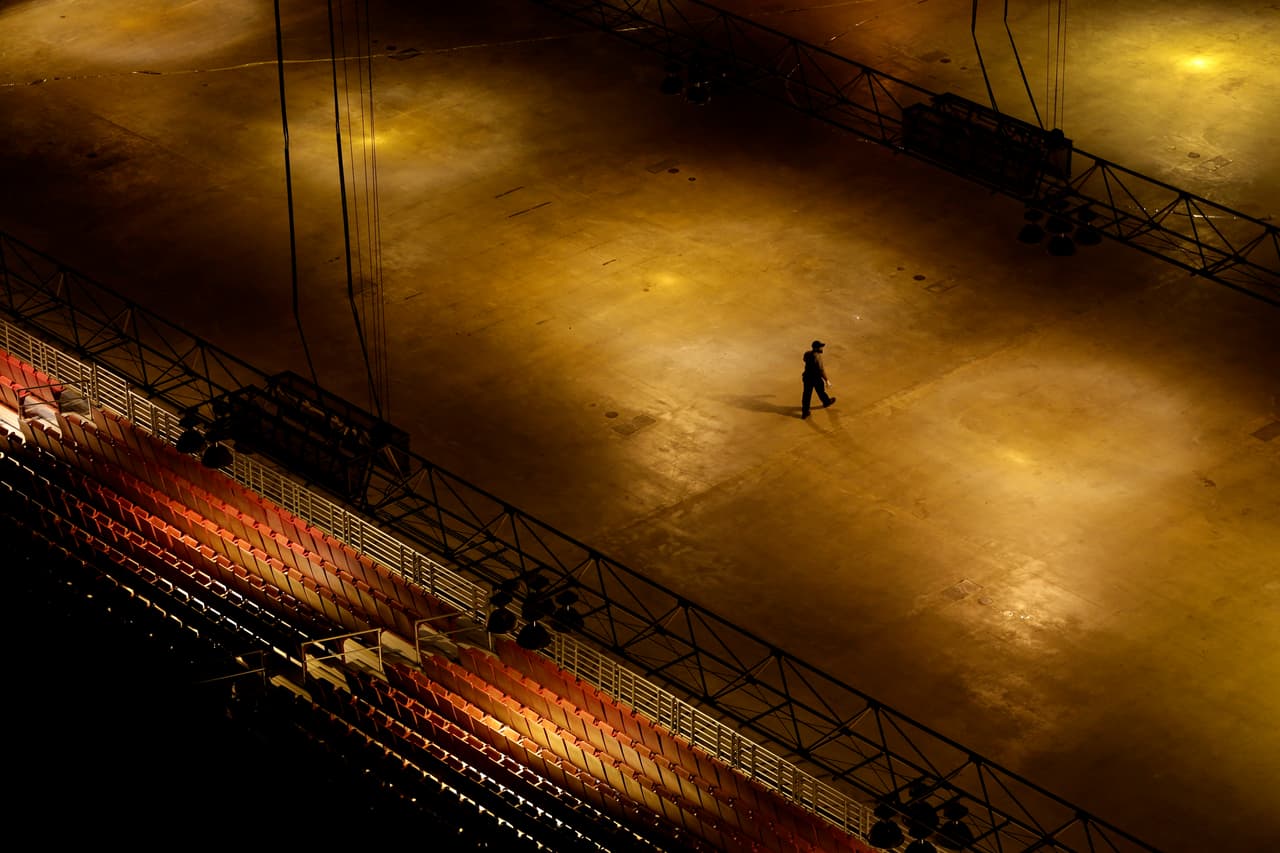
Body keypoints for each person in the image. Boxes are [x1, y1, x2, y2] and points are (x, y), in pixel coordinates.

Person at [801, 340, 835, 419]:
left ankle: (805, 412)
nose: (822, 348)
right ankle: (826, 402)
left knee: (806, 395)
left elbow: (804, 359)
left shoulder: (807, 353)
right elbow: (821, 370)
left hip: (807, 378)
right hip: (815, 378)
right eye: (820, 347)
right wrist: (827, 380)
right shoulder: (817, 357)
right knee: (820, 391)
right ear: (816, 348)